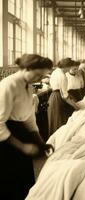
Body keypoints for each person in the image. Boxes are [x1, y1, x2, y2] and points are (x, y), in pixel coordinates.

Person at [0, 54, 54, 200]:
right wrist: (22, 146)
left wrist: (41, 143)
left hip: (20, 133)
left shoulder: (28, 86)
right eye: (37, 75)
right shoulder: (9, 85)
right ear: (27, 68)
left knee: (23, 179)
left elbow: (29, 118)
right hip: (6, 139)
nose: (39, 79)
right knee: (9, 180)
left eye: (42, 76)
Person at [48, 58, 80, 137]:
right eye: (70, 67)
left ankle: (53, 139)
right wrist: (76, 107)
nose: (70, 69)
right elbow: (65, 96)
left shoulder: (55, 71)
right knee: (60, 121)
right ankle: (60, 140)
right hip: (58, 99)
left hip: (52, 97)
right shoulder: (62, 76)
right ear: (66, 66)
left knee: (54, 120)